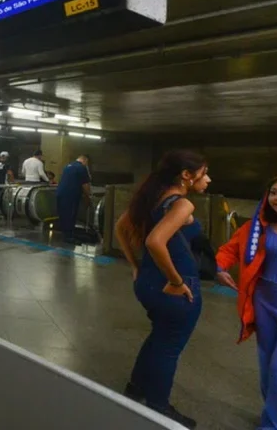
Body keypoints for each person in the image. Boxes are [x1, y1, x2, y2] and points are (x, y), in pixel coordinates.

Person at [114, 150, 210, 428]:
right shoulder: (182, 205)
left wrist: (135, 265)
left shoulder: (151, 198)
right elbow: (155, 242)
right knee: (169, 348)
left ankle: (137, 388)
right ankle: (158, 407)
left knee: (160, 337)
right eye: (204, 173)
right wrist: (177, 282)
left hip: (146, 282)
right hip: (175, 288)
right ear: (186, 176)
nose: (208, 179)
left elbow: (121, 227)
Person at [214, 175, 277, 427]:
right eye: (274, 192)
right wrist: (220, 267)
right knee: (266, 368)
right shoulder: (258, 228)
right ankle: (275, 413)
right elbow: (229, 249)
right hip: (264, 303)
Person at [55, 155, 92, 244]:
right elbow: (85, 185)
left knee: (64, 215)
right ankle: (69, 237)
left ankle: (67, 234)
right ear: (85, 161)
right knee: (71, 214)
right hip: (70, 195)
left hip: (60, 193)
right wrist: (89, 196)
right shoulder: (81, 168)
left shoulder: (67, 166)